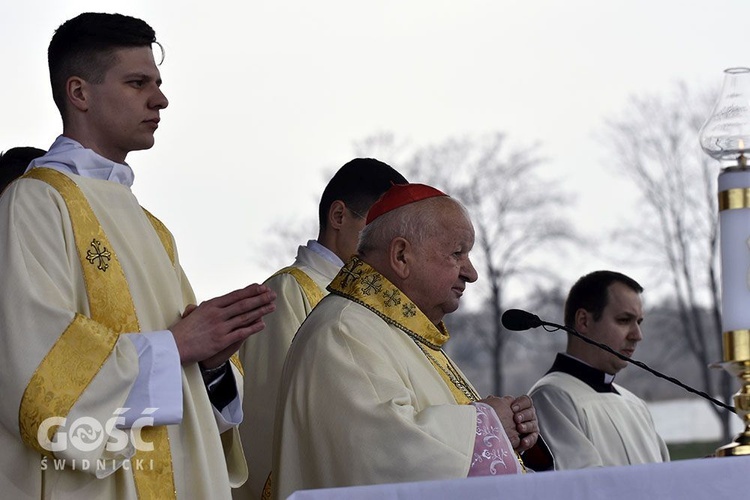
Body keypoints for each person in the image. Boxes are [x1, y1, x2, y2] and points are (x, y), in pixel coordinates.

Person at [0, 12, 276, 499]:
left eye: (158, 83)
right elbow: (34, 374)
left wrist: (211, 365)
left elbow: (188, 363)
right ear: (79, 93)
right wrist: (176, 348)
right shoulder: (35, 203)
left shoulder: (152, 228)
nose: (161, 99)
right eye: (137, 83)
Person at [271, 183, 552, 499]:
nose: (471, 273)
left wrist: (510, 427)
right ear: (402, 255)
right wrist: (488, 424)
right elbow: (386, 455)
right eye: (457, 253)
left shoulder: (399, 328)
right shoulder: (345, 331)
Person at [235, 158, 407, 499]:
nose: (389, 245)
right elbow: (273, 417)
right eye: (378, 228)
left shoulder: (378, 303)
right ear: (339, 216)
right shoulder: (289, 292)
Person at [528, 270, 670, 469]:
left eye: (638, 322)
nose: (637, 335)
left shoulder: (635, 404)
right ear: (584, 321)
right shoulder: (552, 397)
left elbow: (667, 480)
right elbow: (584, 488)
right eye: (624, 320)